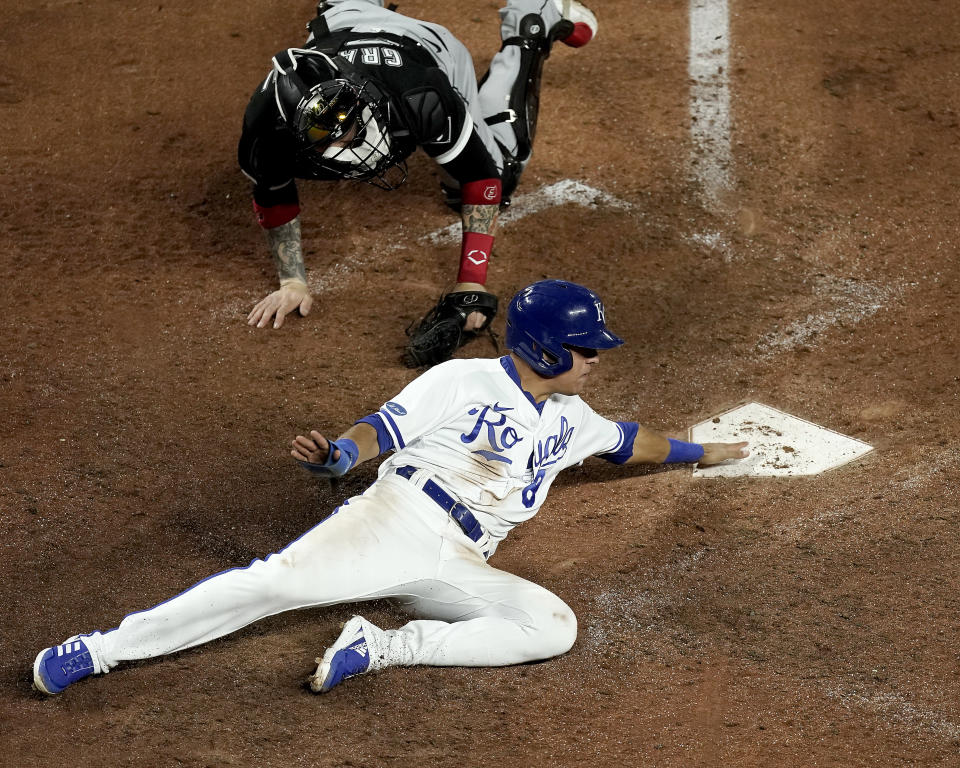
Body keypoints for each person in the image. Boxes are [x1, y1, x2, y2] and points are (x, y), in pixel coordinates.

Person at [32, 280, 749, 696]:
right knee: (271, 586)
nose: (596, 357)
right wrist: (342, 453)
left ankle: (383, 647)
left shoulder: (575, 417)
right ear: (547, 350)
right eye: (586, 348)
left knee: (552, 627)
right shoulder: (462, 380)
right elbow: (382, 430)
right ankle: (100, 650)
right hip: (399, 518)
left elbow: (630, 442)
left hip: (463, 561)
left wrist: (703, 451)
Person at [239, 0, 601, 367]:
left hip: (431, 52)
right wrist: (293, 284)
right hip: (343, 22)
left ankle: (531, 21)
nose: (345, 139)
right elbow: (274, 197)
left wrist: (471, 282)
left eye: (350, 122)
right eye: (325, 134)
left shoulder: (421, 96)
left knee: (500, 170)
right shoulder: (265, 131)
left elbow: (481, 179)